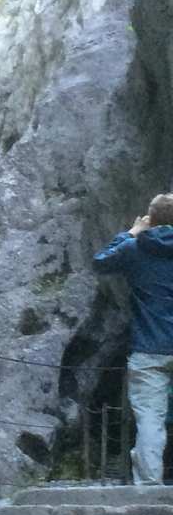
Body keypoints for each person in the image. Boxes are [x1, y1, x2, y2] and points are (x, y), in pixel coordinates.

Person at [93, 193, 173, 484]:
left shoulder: (135, 248)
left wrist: (132, 232)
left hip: (149, 347)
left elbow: (100, 261)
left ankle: (150, 486)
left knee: (150, 419)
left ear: (151, 219)